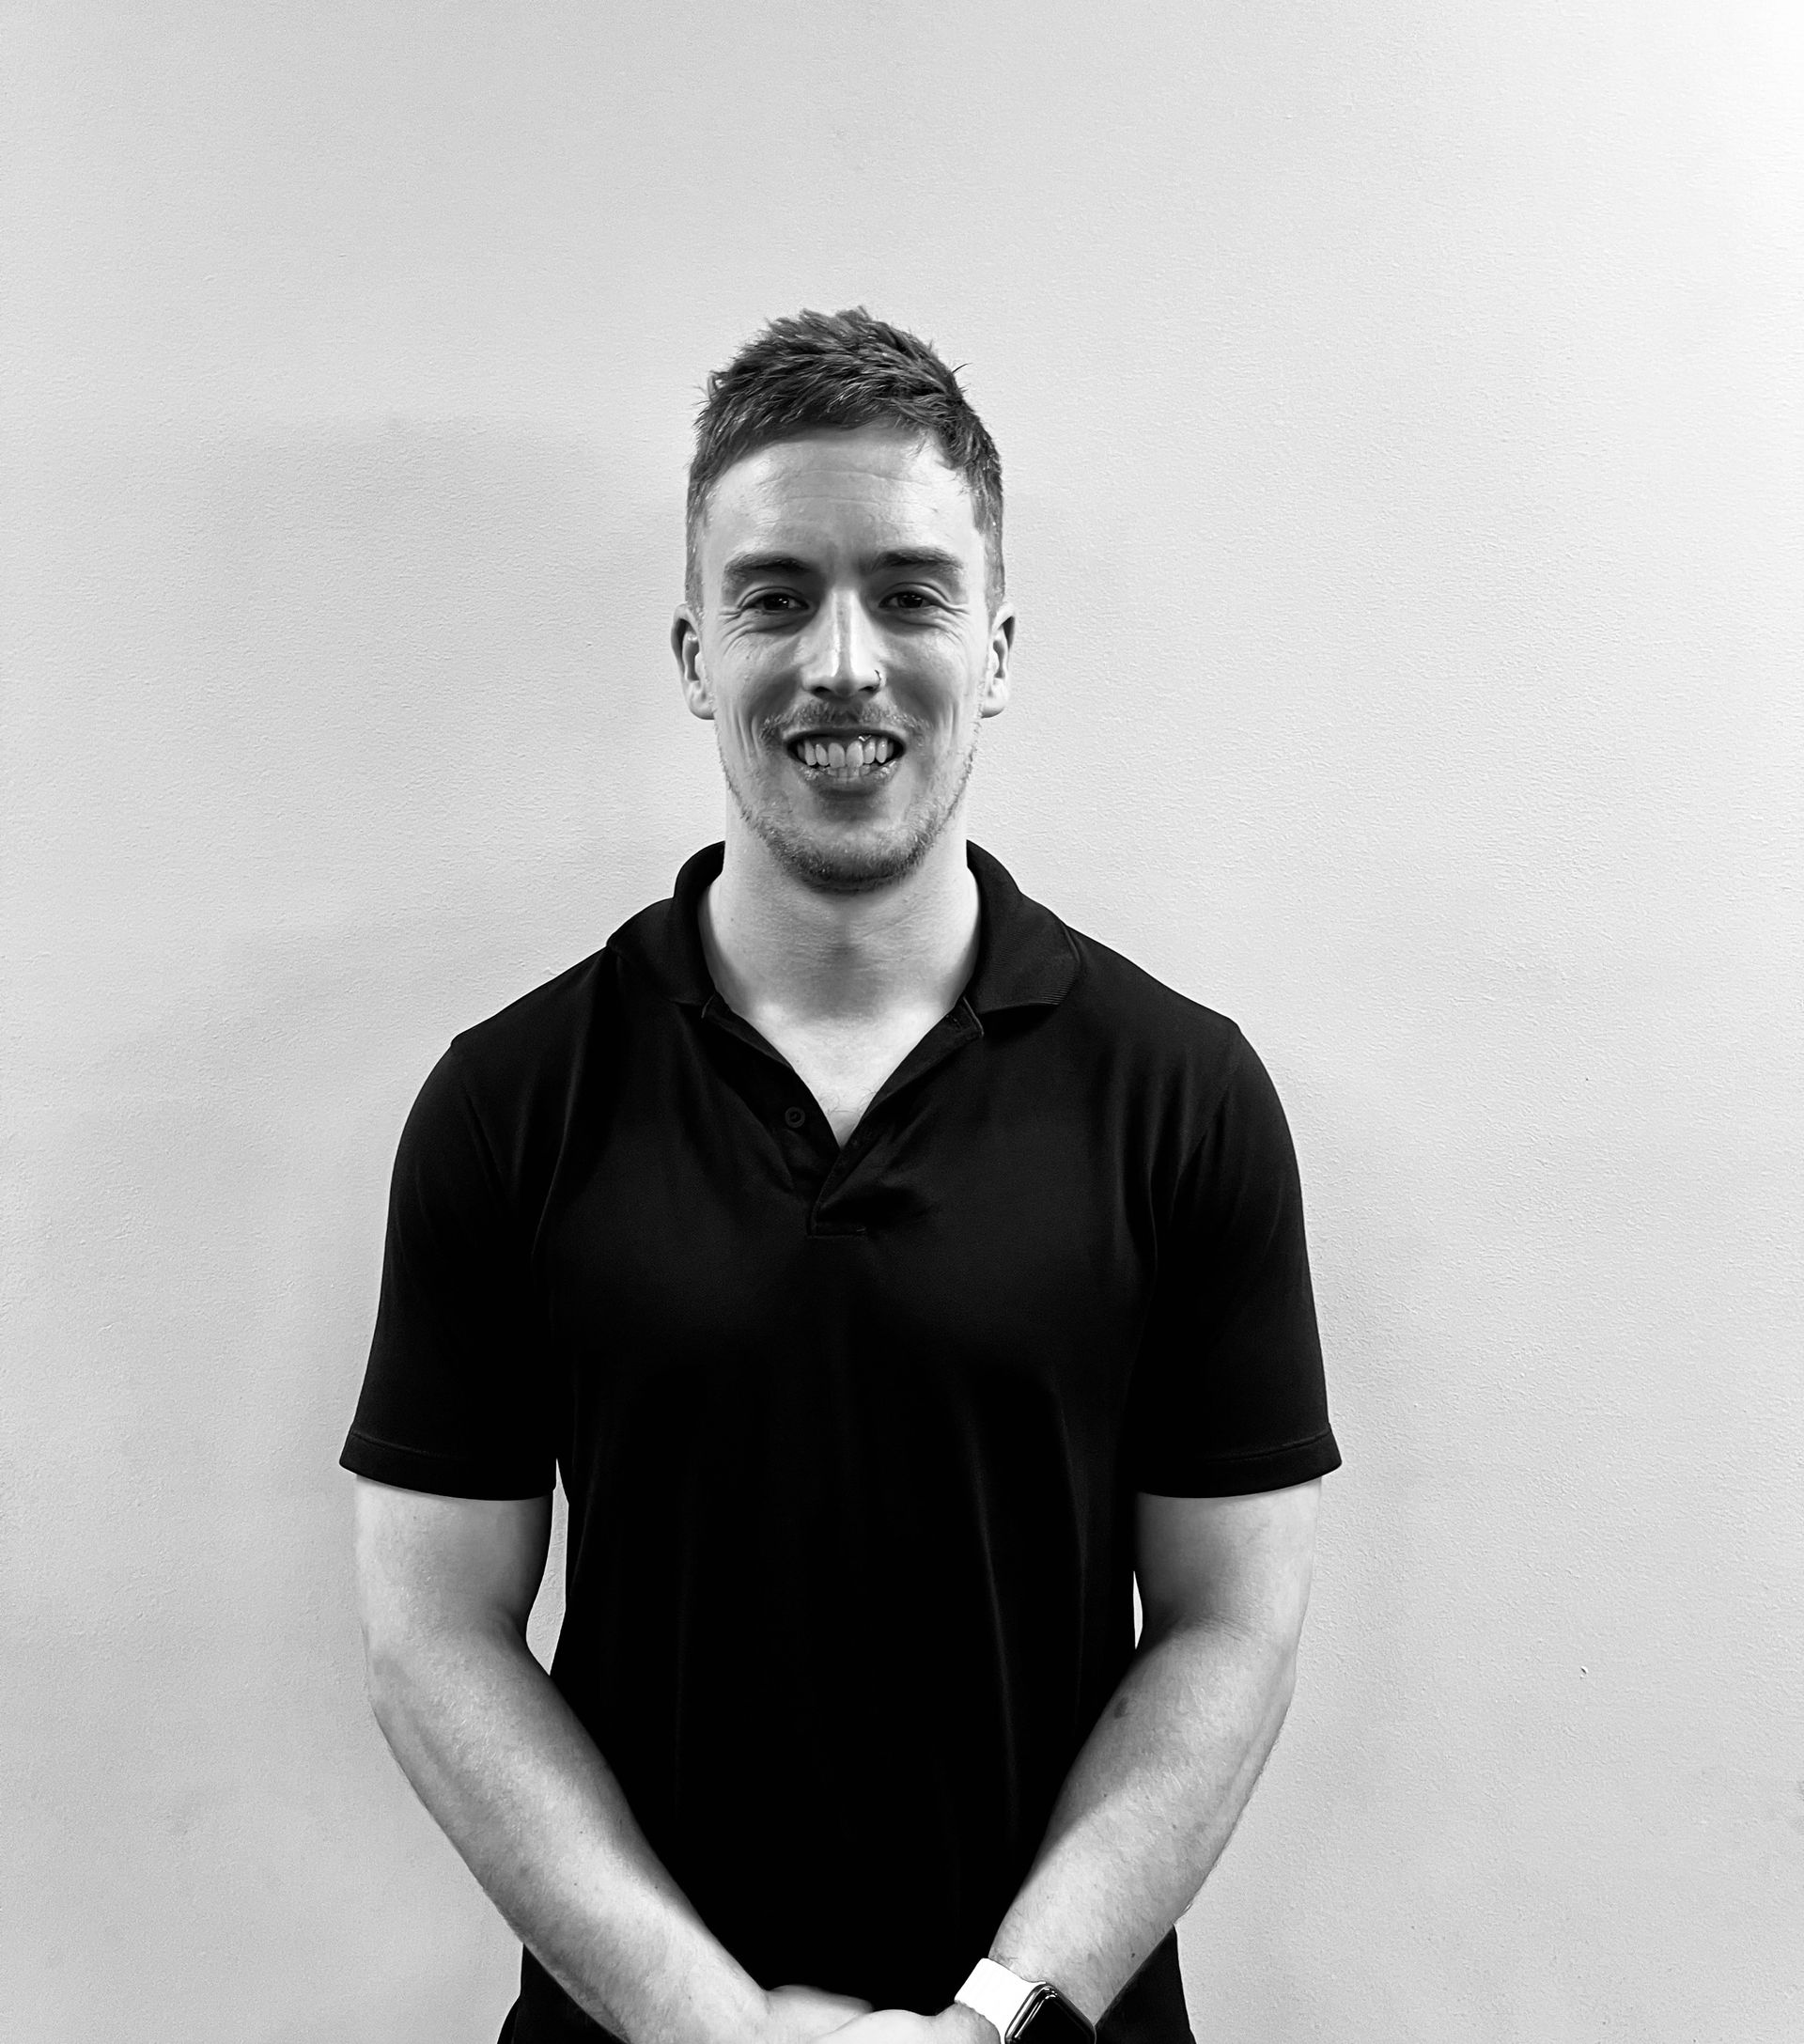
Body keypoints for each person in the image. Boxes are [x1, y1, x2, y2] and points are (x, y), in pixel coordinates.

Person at [342, 306, 1341, 2044]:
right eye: (778, 595)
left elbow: (1224, 1633)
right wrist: (710, 2029)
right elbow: (434, 1637)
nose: (845, 662)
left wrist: (997, 2018)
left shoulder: (1183, 1098)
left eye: (910, 590)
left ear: (1003, 645)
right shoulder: (511, 1104)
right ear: (692, 650)